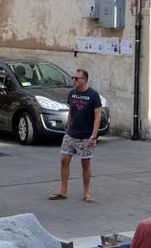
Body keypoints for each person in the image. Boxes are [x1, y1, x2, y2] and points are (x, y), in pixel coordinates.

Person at [49, 69, 101, 202]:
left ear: (85, 80)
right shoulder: (72, 94)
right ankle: (63, 190)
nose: (74, 80)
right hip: (71, 134)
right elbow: (71, 111)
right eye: (73, 78)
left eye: (77, 78)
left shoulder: (93, 95)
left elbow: (97, 117)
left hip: (85, 136)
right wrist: (68, 126)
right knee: (64, 160)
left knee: (85, 164)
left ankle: (86, 193)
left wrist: (93, 136)